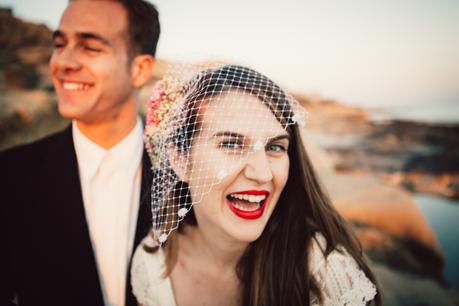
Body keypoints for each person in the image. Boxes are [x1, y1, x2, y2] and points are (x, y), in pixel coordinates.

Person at [131, 65, 381, 305]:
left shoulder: (326, 272)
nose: (262, 173)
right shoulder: (153, 265)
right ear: (181, 160)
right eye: (231, 144)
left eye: (275, 147)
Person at [0, 1, 160, 305]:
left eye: (90, 47)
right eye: (60, 45)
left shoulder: (188, 178)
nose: (62, 62)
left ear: (140, 69)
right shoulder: (8, 178)